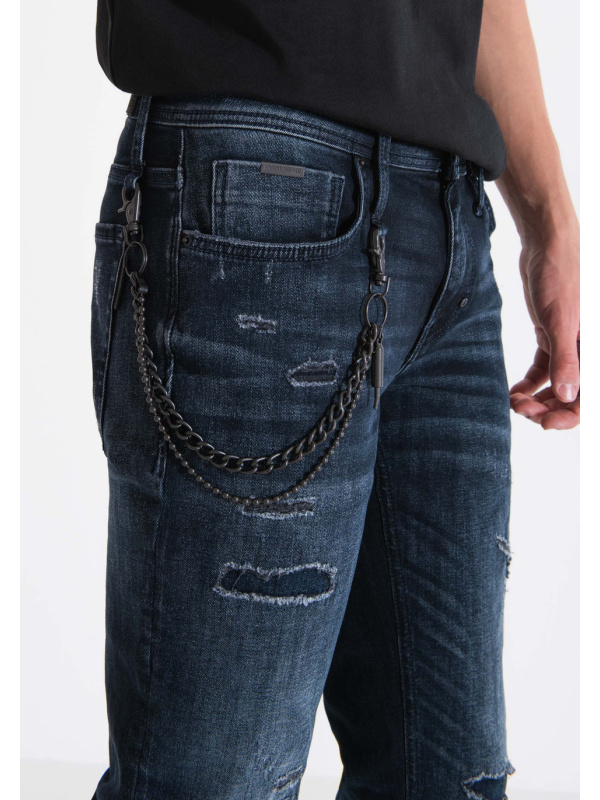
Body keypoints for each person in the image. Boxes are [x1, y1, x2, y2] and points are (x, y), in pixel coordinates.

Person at [90, 1, 579, 798]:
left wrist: (550, 217)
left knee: (448, 778)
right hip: (263, 186)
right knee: (213, 781)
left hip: (451, 217)